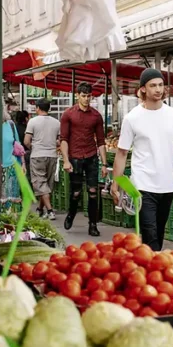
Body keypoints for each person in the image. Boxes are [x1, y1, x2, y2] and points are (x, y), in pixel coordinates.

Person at [111, 69, 173, 251]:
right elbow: (122, 153)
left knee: (159, 232)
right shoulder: (132, 118)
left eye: (160, 85)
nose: (158, 89)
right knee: (150, 235)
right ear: (143, 90)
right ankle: (152, 271)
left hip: (166, 185)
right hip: (142, 185)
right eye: (153, 85)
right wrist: (116, 184)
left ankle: (148, 268)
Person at [60, 82, 108, 237]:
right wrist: (66, 160)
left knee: (93, 191)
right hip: (74, 157)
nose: (86, 99)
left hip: (91, 157)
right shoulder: (68, 114)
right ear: (77, 96)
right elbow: (64, 139)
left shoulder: (96, 116)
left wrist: (104, 164)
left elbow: (101, 141)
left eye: (89, 96)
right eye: (83, 96)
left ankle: (93, 224)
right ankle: (71, 214)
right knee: (76, 192)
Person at [24, 99, 61, 220]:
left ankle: (50, 211)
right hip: (52, 156)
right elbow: (59, 141)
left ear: (38, 108)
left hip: (37, 155)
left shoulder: (32, 122)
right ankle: (40, 209)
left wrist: (33, 147)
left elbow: (26, 141)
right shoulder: (56, 122)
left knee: (40, 183)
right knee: (46, 184)